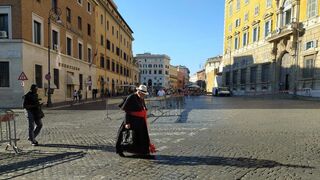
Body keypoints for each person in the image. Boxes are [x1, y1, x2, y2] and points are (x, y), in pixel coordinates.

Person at [116, 85, 156, 158]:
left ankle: (142, 151)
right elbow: (127, 111)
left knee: (142, 137)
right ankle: (120, 150)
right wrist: (127, 123)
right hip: (131, 120)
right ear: (138, 92)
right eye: (142, 94)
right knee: (124, 136)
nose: (143, 95)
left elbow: (143, 108)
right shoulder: (131, 97)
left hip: (140, 122)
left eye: (144, 94)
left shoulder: (141, 98)